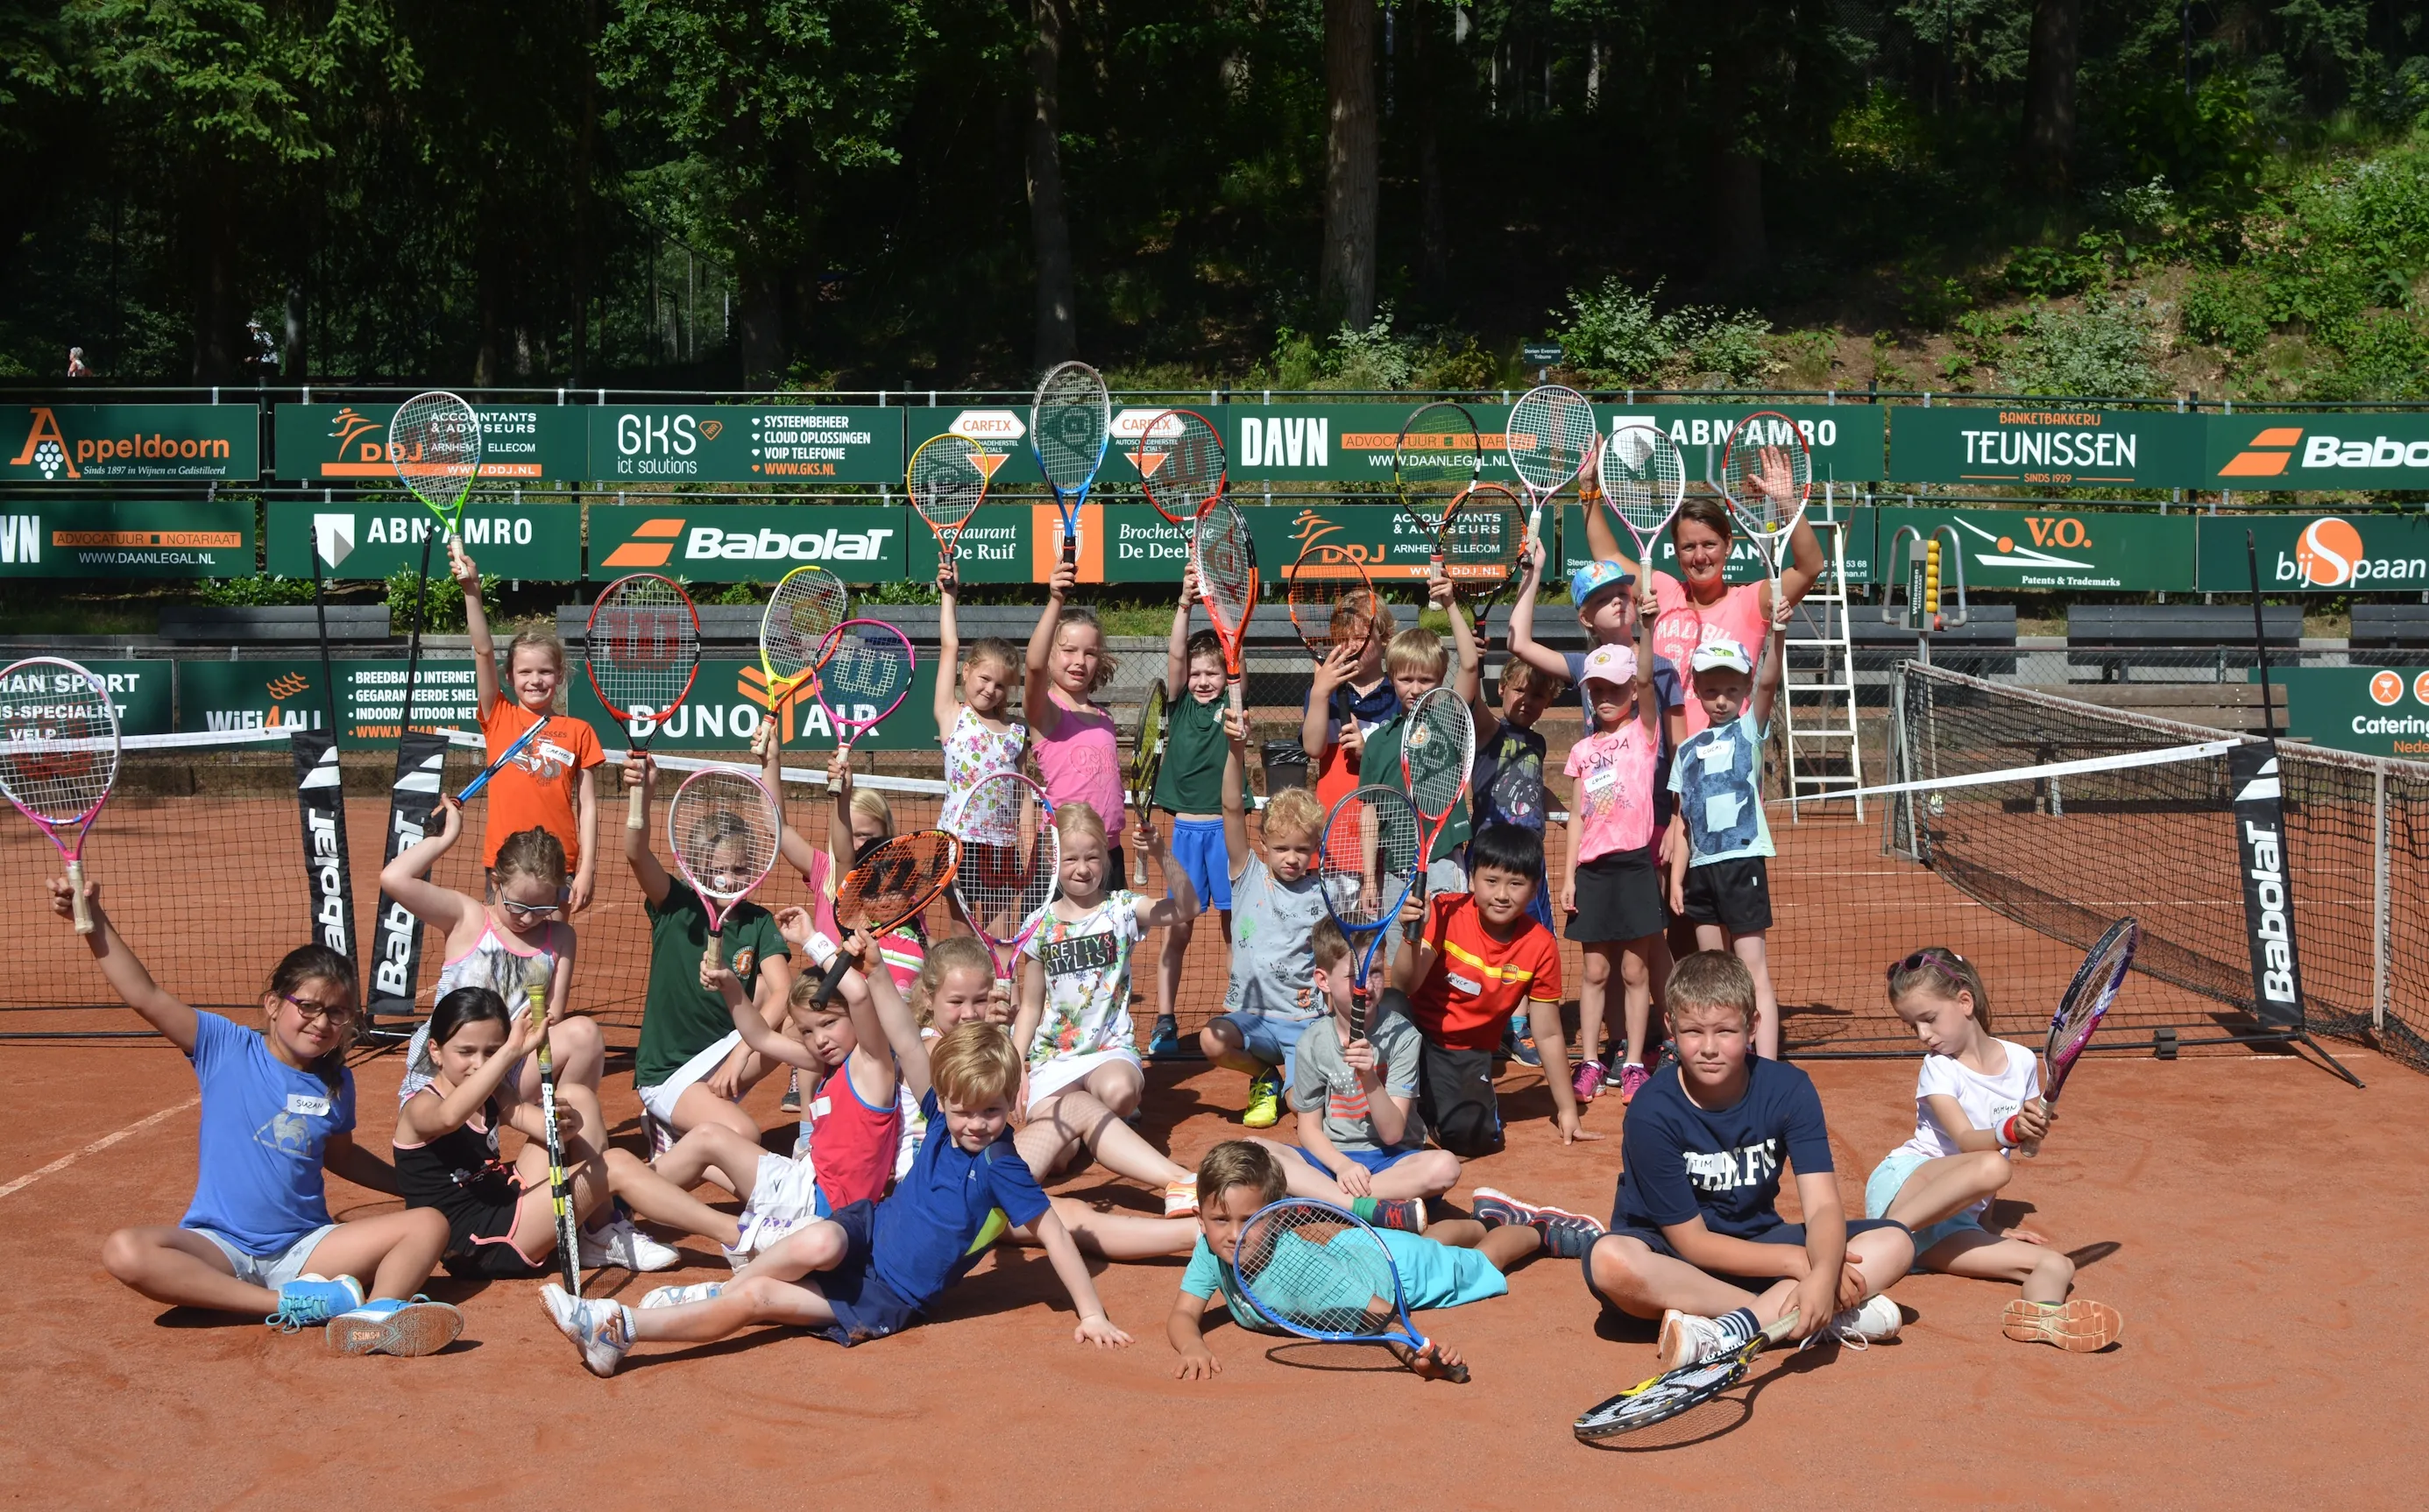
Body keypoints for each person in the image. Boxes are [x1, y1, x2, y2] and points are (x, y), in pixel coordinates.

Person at [542, 1022, 1133, 1374]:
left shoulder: (1003, 1167)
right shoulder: (938, 1112)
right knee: (819, 1239)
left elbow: (1055, 1235)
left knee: (759, 1301)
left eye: (992, 1111)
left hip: (886, 1296)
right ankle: (718, 1293)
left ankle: (622, 1329)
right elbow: (906, 1036)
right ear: (943, 1099)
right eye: (963, 1110)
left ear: (1011, 1103)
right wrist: (869, 969)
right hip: (867, 1231)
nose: (976, 1123)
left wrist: (1091, 1313)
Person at [59, 880, 461, 1357]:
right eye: (307, 1006)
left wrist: (411, 1188)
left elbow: (342, 1157)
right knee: (125, 1251)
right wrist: (93, 920)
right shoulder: (224, 1046)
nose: (321, 1022)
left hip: (305, 1248)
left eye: (337, 1013)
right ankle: (294, 1304)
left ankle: (371, 1319)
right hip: (220, 1246)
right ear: (274, 1004)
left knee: (428, 1224)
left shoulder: (336, 1082)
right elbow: (144, 994)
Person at [1582, 951, 1914, 1370]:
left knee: (1895, 1242)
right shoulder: (1651, 1110)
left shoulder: (1789, 1089)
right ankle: (1807, 1317)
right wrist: (1807, 1269)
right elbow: (1693, 1243)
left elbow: (1823, 1205)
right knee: (1609, 1260)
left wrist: (1823, 1270)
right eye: (1693, 1031)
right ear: (1670, 1027)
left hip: (1757, 1246)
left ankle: (1731, 1330)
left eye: (1725, 1031)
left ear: (1753, 1026)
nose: (1709, 1048)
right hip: (1673, 1262)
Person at [379, 800, 662, 1270]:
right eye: (518, 905)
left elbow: (553, 1014)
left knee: (584, 1033)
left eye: (543, 907)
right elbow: (394, 879)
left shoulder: (559, 938)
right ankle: (571, 1182)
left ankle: (577, 1175)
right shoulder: (468, 917)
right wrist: (446, 839)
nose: (529, 918)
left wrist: (520, 1050)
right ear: (496, 882)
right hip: (448, 1074)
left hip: (510, 1067)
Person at [396, 986, 751, 1278]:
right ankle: (738, 1237)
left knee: (577, 1096)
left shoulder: (494, 1093)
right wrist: (509, 1054)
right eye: (466, 1052)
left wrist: (567, 1126)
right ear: (435, 1052)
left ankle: (599, 1229)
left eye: (491, 1051)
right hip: (479, 1244)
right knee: (614, 1166)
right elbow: (449, 1117)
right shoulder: (420, 1108)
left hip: (502, 1199)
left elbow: (542, 1128)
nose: (480, 1064)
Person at [1165, 1141, 1595, 1381]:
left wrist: (1418, 1358)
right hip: (1360, 1249)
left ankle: (1536, 1230)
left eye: (1250, 1220)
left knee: (1483, 1260)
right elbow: (1184, 1313)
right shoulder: (1212, 1250)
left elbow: (1382, 1317)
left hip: (1396, 1274)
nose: (1234, 1234)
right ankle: (1483, 1219)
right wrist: (1192, 1345)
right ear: (1201, 1219)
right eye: (1220, 1220)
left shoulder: (1300, 1272)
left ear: (1278, 1216)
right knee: (1430, 1244)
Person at [1870, 948, 2124, 1352]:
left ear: (1965, 1001)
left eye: (1929, 1019)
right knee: (1991, 1165)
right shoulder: (1939, 1067)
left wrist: (1988, 1223)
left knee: (2057, 1264)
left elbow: (2019, 1150)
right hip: (1906, 1190)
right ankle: (1870, 1241)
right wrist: (2010, 1129)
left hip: (1948, 1225)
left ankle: (2043, 1315)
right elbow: (1967, 1142)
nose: (1923, 1035)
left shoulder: (2021, 1061)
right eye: (1912, 1024)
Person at [1505, 541, 1690, 1075]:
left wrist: (1677, 821)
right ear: (1585, 616)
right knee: (1607, 947)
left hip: (1652, 819)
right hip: (1603, 825)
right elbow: (1518, 641)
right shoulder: (1583, 665)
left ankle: (1666, 1038)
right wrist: (1535, 574)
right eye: (1603, 597)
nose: (1618, 601)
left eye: (1623, 593)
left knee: (1650, 944)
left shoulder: (1661, 667)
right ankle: (1617, 1046)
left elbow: (1678, 750)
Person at [642, 930, 909, 1269]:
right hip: (807, 1185)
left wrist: (812, 939)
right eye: (808, 1031)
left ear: (854, 1018)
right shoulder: (831, 1066)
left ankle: (620, 1200)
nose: (820, 1040)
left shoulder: (872, 1067)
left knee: (709, 1138)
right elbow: (759, 1036)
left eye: (829, 1023)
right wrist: (731, 986)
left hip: (818, 1206)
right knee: (706, 1162)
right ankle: (629, 1197)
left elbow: (858, 994)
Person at [1014, 802, 1202, 1217]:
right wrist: (1015, 1063)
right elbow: (1029, 1006)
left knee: (1120, 1092)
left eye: (1092, 857)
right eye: (1071, 859)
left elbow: (1188, 908)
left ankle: (1102, 1122)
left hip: (1108, 1052)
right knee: (1056, 1160)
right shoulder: (1039, 925)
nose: (1083, 869)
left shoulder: (1122, 909)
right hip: (1054, 1059)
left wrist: (1159, 851)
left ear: (1106, 858)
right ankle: (1090, 1129)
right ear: (1053, 860)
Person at [1579, 448, 1824, 739]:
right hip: (1661, 754)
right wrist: (1588, 491)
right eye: (1688, 547)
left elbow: (1810, 567)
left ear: (1728, 544)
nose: (1699, 557)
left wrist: (1788, 503)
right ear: (1676, 552)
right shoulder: (1664, 590)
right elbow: (1608, 556)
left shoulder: (1751, 602)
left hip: (1726, 756)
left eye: (1709, 544)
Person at [619, 753, 794, 1152]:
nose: (731, 880)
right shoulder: (674, 903)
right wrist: (641, 796)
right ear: (695, 867)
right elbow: (636, 852)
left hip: (721, 1057)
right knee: (744, 1137)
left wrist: (741, 1054)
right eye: (720, 869)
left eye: (741, 869)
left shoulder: (758, 922)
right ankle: (671, 1124)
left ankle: (805, 1127)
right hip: (667, 1071)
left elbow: (784, 991)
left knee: (796, 1019)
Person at [1391, 822, 1590, 1155]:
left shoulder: (1540, 946)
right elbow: (1403, 985)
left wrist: (1567, 1110)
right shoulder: (1444, 911)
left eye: (1516, 884)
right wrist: (1412, 937)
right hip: (1415, 1034)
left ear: (1534, 889)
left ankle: (1429, 1105)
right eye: (1491, 881)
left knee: (1473, 1138)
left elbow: (1548, 1033)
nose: (1501, 895)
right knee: (1390, 1004)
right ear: (1472, 879)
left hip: (1464, 1052)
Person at [1664, 597, 1790, 1060]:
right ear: (1696, 689)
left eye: (1732, 689)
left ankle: (1767, 1065)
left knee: (1752, 969)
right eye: (1712, 689)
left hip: (1741, 864)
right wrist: (1677, 879)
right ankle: (1721, 1055)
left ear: (1744, 689)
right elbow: (1684, 822)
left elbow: (1770, 681)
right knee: (1711, 973)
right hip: (1701, 873)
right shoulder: (1686, 752)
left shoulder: (1749, 731)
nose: (1721, 699)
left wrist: (1778, 634)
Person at [452, 543, 605, 912]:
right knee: (501, 946)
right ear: (509, 676)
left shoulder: (579, 731)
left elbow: (587, 806)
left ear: (560, 675)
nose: (535, 680)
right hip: (504, 863)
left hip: (559, 866)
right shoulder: (498, 715)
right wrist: (472, 592)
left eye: (545, 671)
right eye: (525, 672)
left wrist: (586, 869)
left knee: (552, 949)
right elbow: (483, 651)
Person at [1561, 588, 1668, 1106]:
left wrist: (1646, 628)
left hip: (1635, 867)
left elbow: (1647, 679)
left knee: (1635, 971)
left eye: (1615, 687)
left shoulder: (1645, 735)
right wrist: (1567, 877)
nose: (1605, 696)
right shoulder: (1582, 750)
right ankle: (1589, 1062)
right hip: (1593, 872)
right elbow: (1577, 817)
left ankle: (1633, 1064)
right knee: (1595, 972)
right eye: (1596, 689)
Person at [1197, 706, 1328, 1128]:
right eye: (1282, 848)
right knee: (1212, 1040)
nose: (1292, 858)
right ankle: (1264, 1075)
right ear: (1264, 844)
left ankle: (1293, 1085)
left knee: (1301, 1108)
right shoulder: (1248, 875)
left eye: (1302, 850)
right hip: (1252, 1018)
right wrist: (1235, 750)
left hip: (1306, 1023)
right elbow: (1231, 809)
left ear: (1315, 848)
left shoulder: (1324, 890)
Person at [1354, 575, 1478, 905]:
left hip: (1442, 859)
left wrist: (1450, 605)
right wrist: (1369, 880)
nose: (1416, 688)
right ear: (1391, 678)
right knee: (1400, 942)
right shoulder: (1378, 742)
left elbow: (1470, 665)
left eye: (1426, 679)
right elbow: (1369, 815)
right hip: (1394, 870)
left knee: (1446, 940)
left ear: (1440, 678)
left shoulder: (1449, 718)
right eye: (1406, 679)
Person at [1148, 568, 1231, 1058]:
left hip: (1228, 832)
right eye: (1198, 673)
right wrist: (1185, 603)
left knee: (1234, 929)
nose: (1202, 680)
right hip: (1186, 832)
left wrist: (1223, 615)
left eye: (1212, 673)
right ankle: (1164, 1019)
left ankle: (1239, 1010)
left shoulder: (1233, 703)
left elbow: (1233, 659)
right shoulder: (1178, 705)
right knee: (1177, 927)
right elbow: (1177, 655)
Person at [1026, 559, 1126, 853]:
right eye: (1068, 650)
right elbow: (1033, 667)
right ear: (1050, 654)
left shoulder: (1104, 718)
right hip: (1064, 851)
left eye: (1090, 653)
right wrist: (1056, 600)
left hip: (1108, 851)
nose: (1079, 661)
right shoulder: (1047, 712)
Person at [931, 556, 1027, 833]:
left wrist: (1027, 845)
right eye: (984, 678)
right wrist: (949, 595)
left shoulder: (1017, 732)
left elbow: (1023, 797)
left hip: (1002, 848)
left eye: (1000, 685)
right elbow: (949, 645)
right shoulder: (951, 715)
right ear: (966, 671)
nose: (990, 690)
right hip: (955, 843)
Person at [1298, 593, 1401, 814]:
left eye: (1360, 637)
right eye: (1343, 638)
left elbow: (1405, 765)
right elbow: (1313, 749)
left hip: (1384, 819)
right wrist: (1320, 694)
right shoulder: (1323, 693)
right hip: (1332, 816)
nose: (1351, 646)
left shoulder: (1399, 694)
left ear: (1385, 637)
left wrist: (1369, 751)